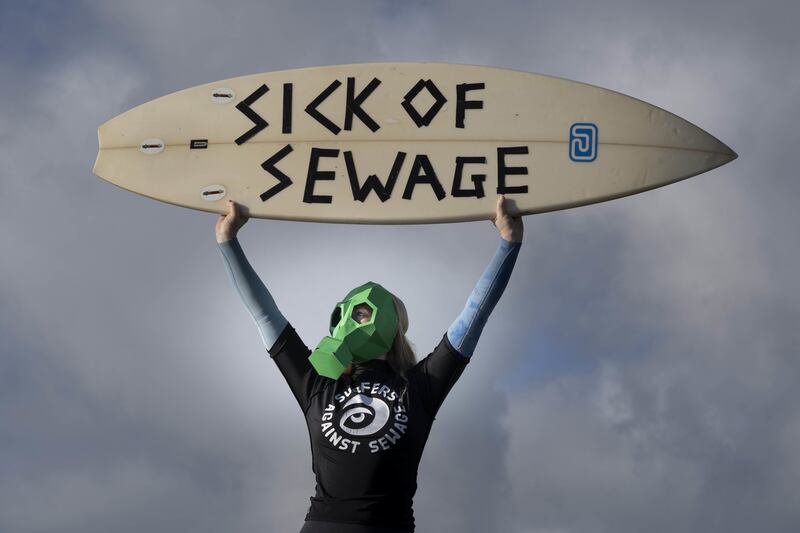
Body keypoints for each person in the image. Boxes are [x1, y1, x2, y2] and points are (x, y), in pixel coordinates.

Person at [216, 196, 523, 533]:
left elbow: (473, 317)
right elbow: (264, 314)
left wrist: (508, 243)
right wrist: (228, 241)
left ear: (392, 325)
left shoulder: (419, 386)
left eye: (360, 312)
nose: (349, 320)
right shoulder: (317, 383)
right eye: (343, 313)